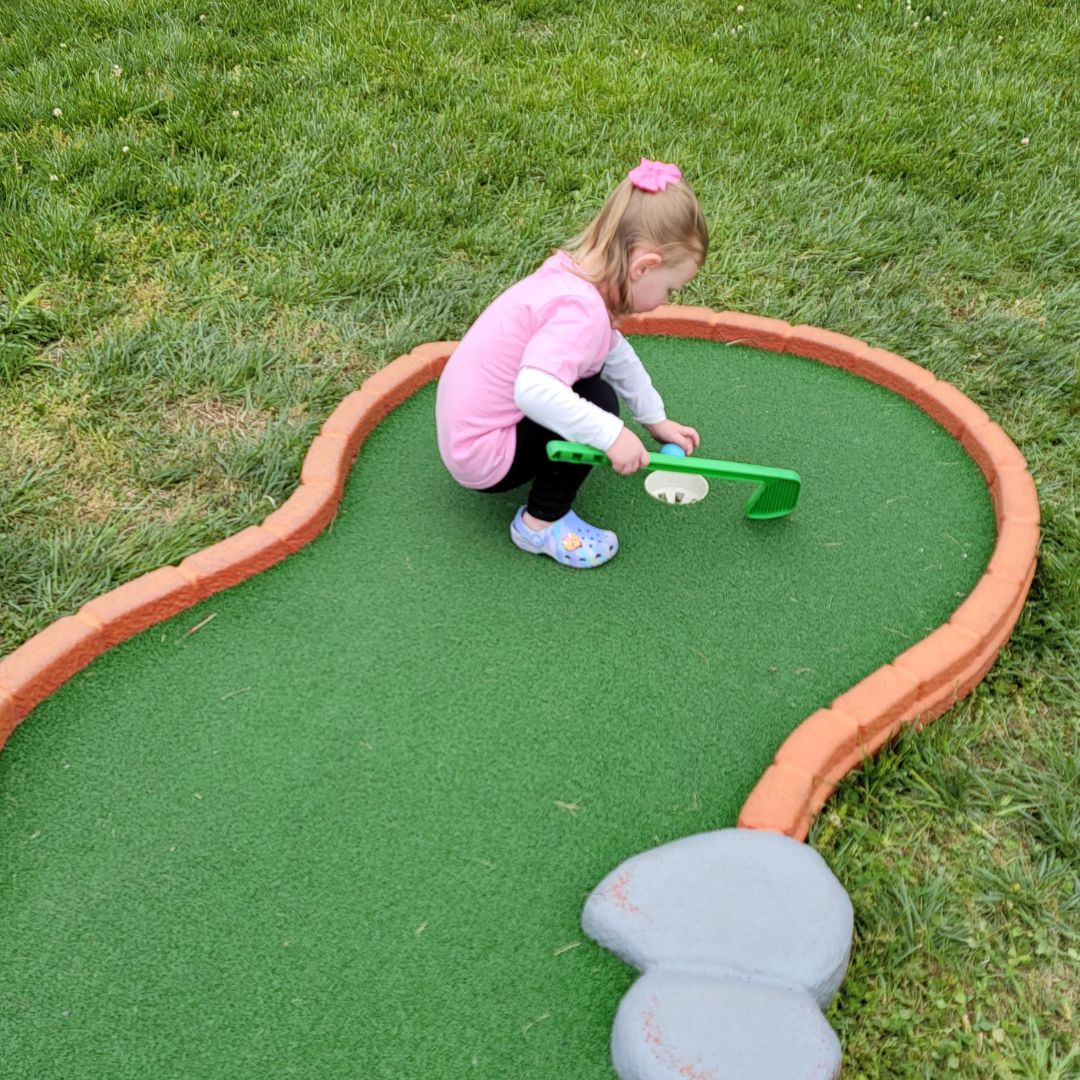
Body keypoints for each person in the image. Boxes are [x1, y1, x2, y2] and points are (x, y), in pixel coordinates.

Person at [435, 158, 708, 569]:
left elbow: (616, 353)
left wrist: (655, 420)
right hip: (483, 453)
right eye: (670, 288)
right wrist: (611, 433)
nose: (667, 299)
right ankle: (540, 523)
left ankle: (545, 501)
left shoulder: (573, 277)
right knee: (598, 402)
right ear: (643, 267)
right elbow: (534, 391)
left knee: (594, 384)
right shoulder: (579, 312)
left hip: (467, 430)